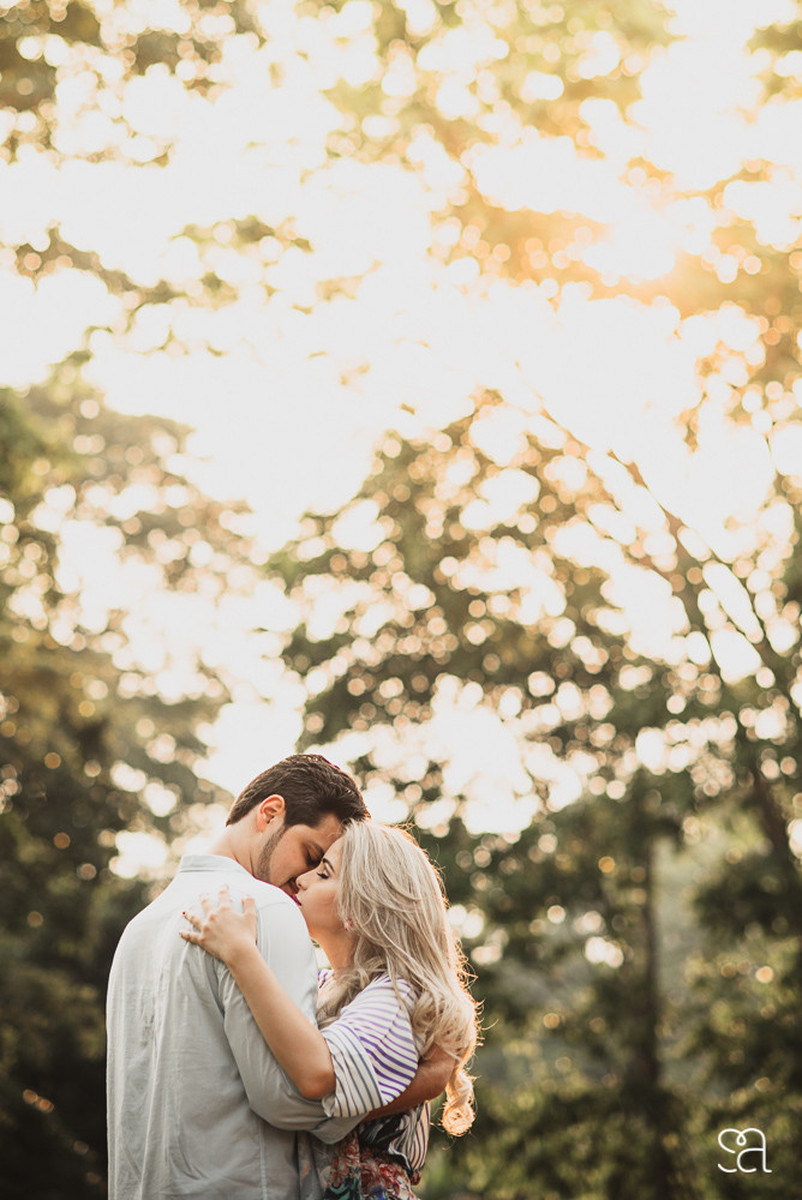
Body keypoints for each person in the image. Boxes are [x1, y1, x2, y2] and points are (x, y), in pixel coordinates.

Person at [107, 752, 445, 1200]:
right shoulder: (264, 908)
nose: (302, 880)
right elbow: (295, 1101)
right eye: (311, 856)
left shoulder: (140, 927)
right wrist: (418, 1082)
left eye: (323, 870)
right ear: (269, 813)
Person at [181, 819, 480, 1200]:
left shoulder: (396, 996)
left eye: (323, 873)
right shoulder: (321, 985)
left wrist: (241, 953)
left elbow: (315, 1077)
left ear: (361, 906)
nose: (301, 880)